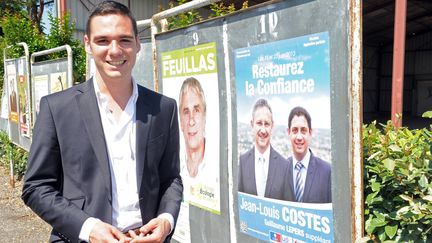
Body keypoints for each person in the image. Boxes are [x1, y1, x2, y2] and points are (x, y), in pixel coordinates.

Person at [21, 1, 183, 243]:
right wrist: (88, 227)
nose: (115, 50)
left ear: (138, 44)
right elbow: (36, 187)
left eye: (125, 40)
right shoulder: (57, 108)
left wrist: (166, 220)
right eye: (103, 40)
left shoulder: (164, 108)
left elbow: (171, 178)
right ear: (87, 44)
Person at [238, 98, 291, 200]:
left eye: (266, 124)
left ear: (272, 126)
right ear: (252, 125)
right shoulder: (243, 162)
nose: (263, 130)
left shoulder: (284, 166)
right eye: (259, 123)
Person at [286, 106, 331, 203]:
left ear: (310, 133)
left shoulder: (327, 172)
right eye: (294, 130)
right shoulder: (281, 170)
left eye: (303, 130)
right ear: (288, 132)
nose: (299, 137)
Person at [178, 77, 207, 178]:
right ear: (181, 122)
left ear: (204, 117)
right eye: (186, 112)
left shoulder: (217, 167)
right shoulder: (174, 170)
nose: (191, 121)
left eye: (196, 110)